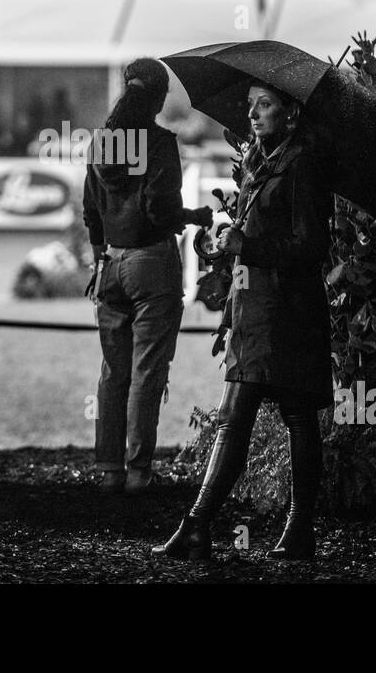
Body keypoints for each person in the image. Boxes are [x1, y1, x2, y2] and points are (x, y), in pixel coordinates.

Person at [153, 80, 334, 562]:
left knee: (282, 418)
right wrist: (230, 239)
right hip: (255, 308)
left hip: (289, 313)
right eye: (251, 105)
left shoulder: (304, 163)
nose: (253, 114)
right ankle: (215, 527)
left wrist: (247, 246)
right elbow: (258, 230)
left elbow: (313, 246)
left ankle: (275, 528)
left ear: (290, 113)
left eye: (265, 105)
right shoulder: (260, 159)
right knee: (243, 418)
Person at [83, 58, 212, 496]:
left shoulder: (102, 143)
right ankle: (139, 472)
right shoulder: (158, 143)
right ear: (158, 97)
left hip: (110, 264)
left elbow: (90, 211)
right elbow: (160, 209)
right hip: (151, 262)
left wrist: (101, 255)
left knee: (112, 372)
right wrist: (195, 215)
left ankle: (108, 470)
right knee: (146, 372)